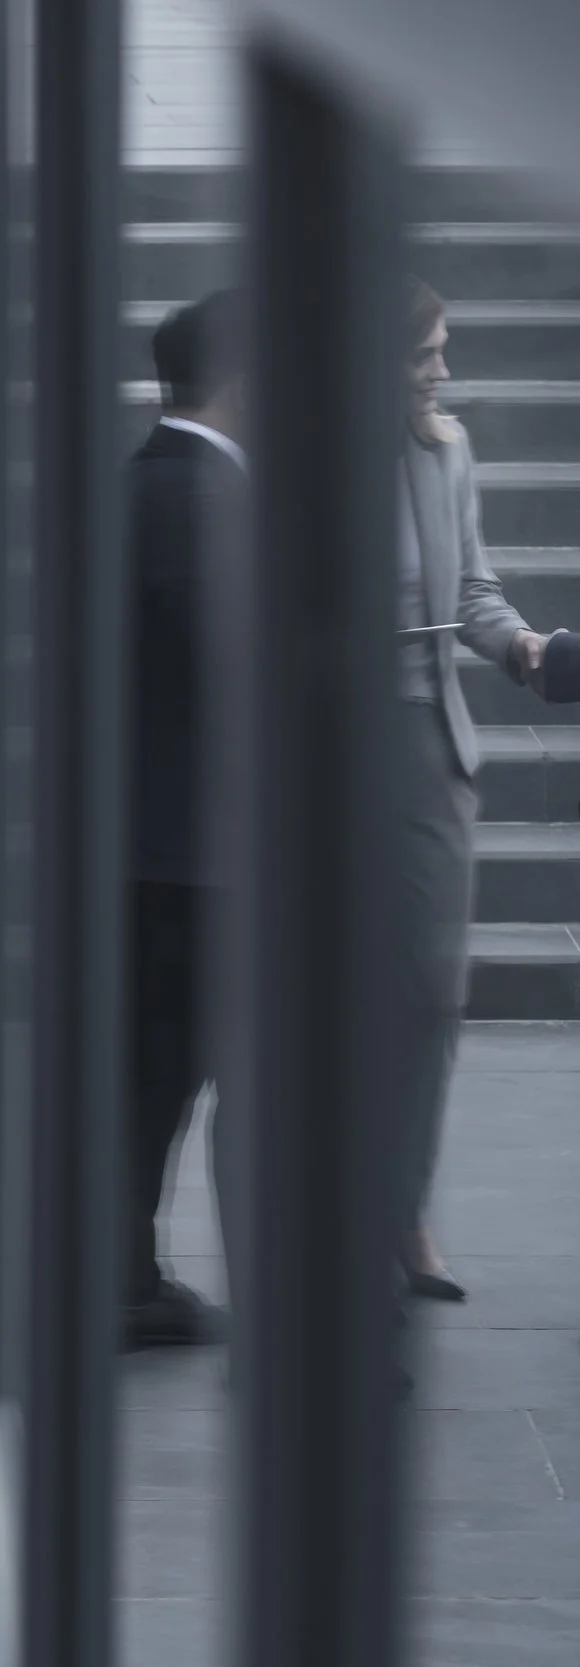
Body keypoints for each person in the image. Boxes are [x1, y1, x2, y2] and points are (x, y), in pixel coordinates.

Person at [394, 276, 548, 1302]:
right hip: (310, 756)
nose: (443, 371)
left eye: (442, 348)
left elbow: (473, 591)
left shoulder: (445, 450)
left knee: (428, 1002)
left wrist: (523, 645)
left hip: (424, 751)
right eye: (424, 353)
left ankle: (402, 1211)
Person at [122, 291, 245, 1350]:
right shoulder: (195, 496)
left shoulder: (155, 479)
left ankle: (123, 1270)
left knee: (154, 1068)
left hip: (159, 837)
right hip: (191, 847)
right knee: (171, 1068)